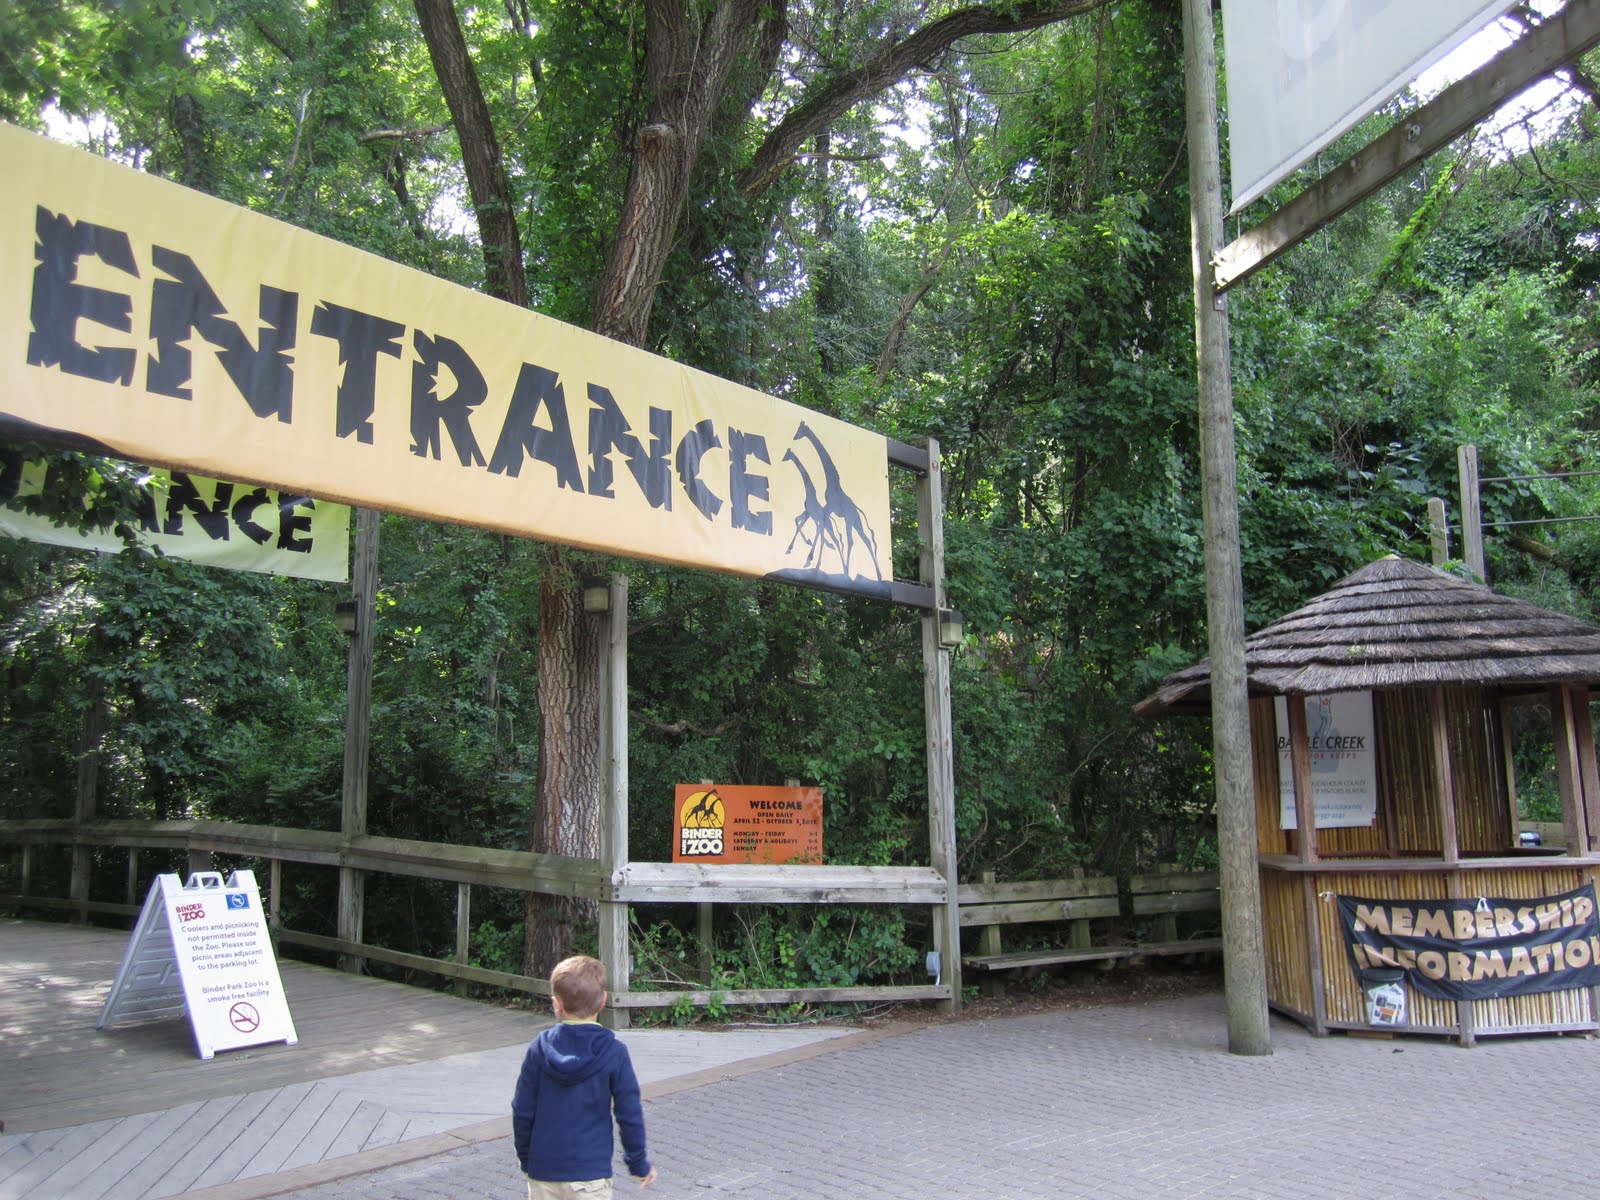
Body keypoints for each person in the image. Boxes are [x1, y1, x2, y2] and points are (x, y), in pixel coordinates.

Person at [512, 954, 658, 1198]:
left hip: (543, 1172)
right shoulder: (614, 1052)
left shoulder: (539, 1048)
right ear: (603, 1001)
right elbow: (628, 1113)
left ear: (556, 1004)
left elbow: (523, 1110)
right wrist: (638, 1164)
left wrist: (527, 1159)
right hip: (590, 1173)